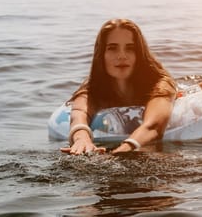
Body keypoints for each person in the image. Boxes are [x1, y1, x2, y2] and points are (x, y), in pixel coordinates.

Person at [60, 18, 177, 155]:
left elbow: (154, 126)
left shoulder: (160, 83)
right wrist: (82, 139)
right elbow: (79, 113)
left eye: (130, 48)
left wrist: (125, 148)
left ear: (139, 54)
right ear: (101, 55)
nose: (122, 56)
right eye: (112, 48)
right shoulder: (93, 88)